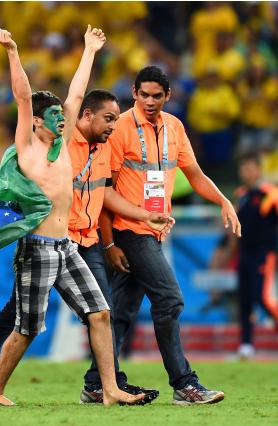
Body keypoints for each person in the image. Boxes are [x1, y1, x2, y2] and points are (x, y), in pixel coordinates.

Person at [0, 28, 143, 407]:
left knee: (100, 312)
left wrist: (89, 50)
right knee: (27, 328)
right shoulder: (28, 148)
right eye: (53, 116)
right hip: (37, 247)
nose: (60, 120)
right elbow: (23, 95)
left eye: (61, 117)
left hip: (66, 246)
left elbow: (75, 94)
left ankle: (109, 390)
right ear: (36, 121)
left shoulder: (62, 143)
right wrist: (13, 51)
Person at [99, 65, 241, 405]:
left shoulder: (175, 127)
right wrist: (108, 243)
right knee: (170, 300)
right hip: (131, 231)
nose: (149, 101)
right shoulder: (119, 128)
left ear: (168, 96)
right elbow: (104, 190)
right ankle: (184, 383)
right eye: (143, 95)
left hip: (153, 230)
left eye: (156, 96)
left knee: (120, 312)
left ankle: (96, 383)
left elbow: (195, 174)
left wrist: (223, 200)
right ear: (133, 93)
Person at [228, 153, 278, 358]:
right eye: (243, 168)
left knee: (263, 297)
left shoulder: (270, 194)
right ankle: (246, 345)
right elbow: (233, 229)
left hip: (264, 254)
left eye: (249, 168)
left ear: (258, 169)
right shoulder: (241, 195)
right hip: (245, 254)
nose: (245, 172)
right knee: (245, 299)